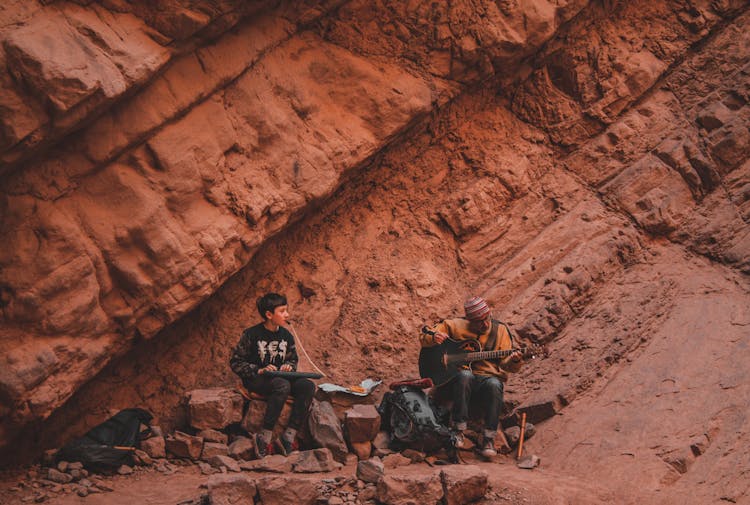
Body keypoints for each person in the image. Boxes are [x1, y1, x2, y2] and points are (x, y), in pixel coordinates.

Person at [419, 296, 523, 458]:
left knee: (495, 384)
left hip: (484, 380)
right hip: (454, 380)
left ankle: (488, 438)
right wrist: (433, 338)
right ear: (469, 320)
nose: (485, 324)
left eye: (487, 318)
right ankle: (458, 430)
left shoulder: (500, 330)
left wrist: (514, 361)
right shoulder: (454, 325)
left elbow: (506, 365)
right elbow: (425, 335)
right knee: (465, 375)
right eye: (479, 321)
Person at [230, 292, 316, 457]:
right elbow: (236, 363)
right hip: (258, 380)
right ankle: (264, 436)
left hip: (281, 379)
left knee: (307, 386)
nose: (287, 315)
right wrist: (259, 370)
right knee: (282, 385)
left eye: (286, 310)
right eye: (282, 311)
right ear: (269, 315)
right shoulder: (251, 334)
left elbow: (293, 361)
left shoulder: (287, 336)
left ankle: (289, 436)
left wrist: (288, 367)